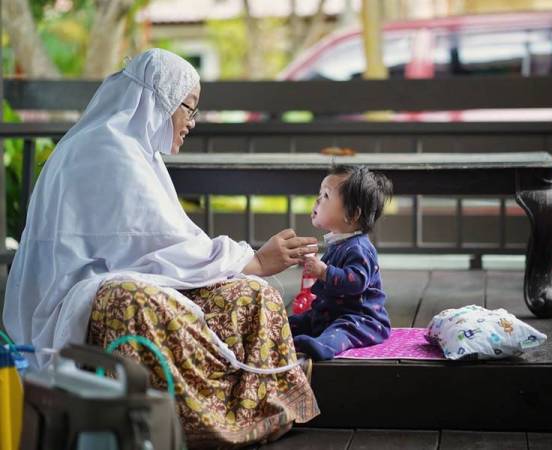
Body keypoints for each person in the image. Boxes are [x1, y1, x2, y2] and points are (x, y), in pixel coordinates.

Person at [2, 48, 319, 447]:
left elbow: (163, 246)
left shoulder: (138, 152)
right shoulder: (103, 151)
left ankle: (259, 404)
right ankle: (192, 424)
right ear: (161, 99)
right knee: (132, 301)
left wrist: (249, 267)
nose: (191, 122)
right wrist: (251, 259)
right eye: (189, 108)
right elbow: (156, 244)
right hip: (81, 295)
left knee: (252, 295)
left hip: (139, 277)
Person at [289, 165, 393, 360]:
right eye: (320, 194)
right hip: (329, 313)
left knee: (341, 331)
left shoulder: (359, 248)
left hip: (360, 319)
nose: (318, 200)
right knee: (296, 322)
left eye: (326, 196)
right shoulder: (339, 242)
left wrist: (324, 272)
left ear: (352, 215)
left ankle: (322, 347)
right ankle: (275, 332)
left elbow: (356, 282)